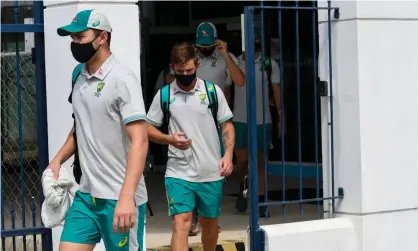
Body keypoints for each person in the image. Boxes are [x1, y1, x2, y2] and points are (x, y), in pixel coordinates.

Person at [49, 9, 149, 251]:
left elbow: (140, 140)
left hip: (120, 197)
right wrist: (57, 160)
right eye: (72, 38)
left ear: (102, 37)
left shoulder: (123, 79)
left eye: (80, 37)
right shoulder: (78, 75)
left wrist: (127, 197)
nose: (74, 43)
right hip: (86, 196)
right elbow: (79, 126)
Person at [146, 42, 235, 251]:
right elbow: (147, 128)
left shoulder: (212, 92)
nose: (185, 75)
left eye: (189, 70)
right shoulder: (164, 95)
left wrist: (228, 154)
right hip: (178, 172)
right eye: (180, 71)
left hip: (210, 171)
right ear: (172, 68)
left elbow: (227, 125)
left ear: (196, 65)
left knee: (209, 225)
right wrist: (170, 140)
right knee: (181, 223)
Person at [232, 30, 283, 217]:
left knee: (261, 162)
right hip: (239, 119)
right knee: (242, 162)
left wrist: (280, 115)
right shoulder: (235, 62)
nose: (255, 40)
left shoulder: (269, 64)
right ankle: (242, 187)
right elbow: (229, 90)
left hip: (263, 121)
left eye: (257, 37)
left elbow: (276, 90)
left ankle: (261, 203)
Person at [195, 21, 245, 104]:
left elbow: (240, 82)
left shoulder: (225, 56)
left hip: (216, 112)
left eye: (207, 45)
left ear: (216, 40)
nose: (204, 48)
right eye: (202, 44)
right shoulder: (190, 56)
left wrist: (225, 54)